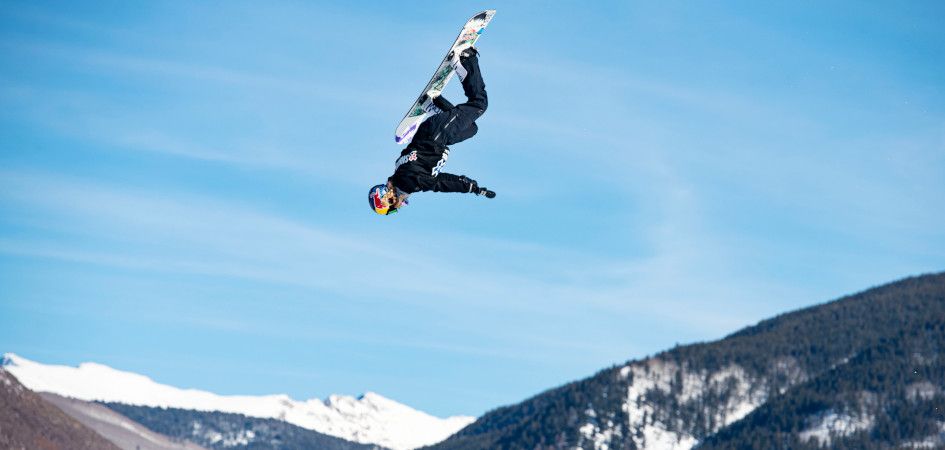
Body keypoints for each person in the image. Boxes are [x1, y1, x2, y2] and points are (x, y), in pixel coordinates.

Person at [369, 46, 495, 216]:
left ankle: (465, 58)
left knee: (479, 104)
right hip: (436, 134)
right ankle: (432, 103)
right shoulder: (399, 172)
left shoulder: (410, 183)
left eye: (392, 205)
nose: (399, 206)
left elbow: (440, 184)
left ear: (389, 196)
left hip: (438, 134)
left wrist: (471, 188)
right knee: (471, 129)